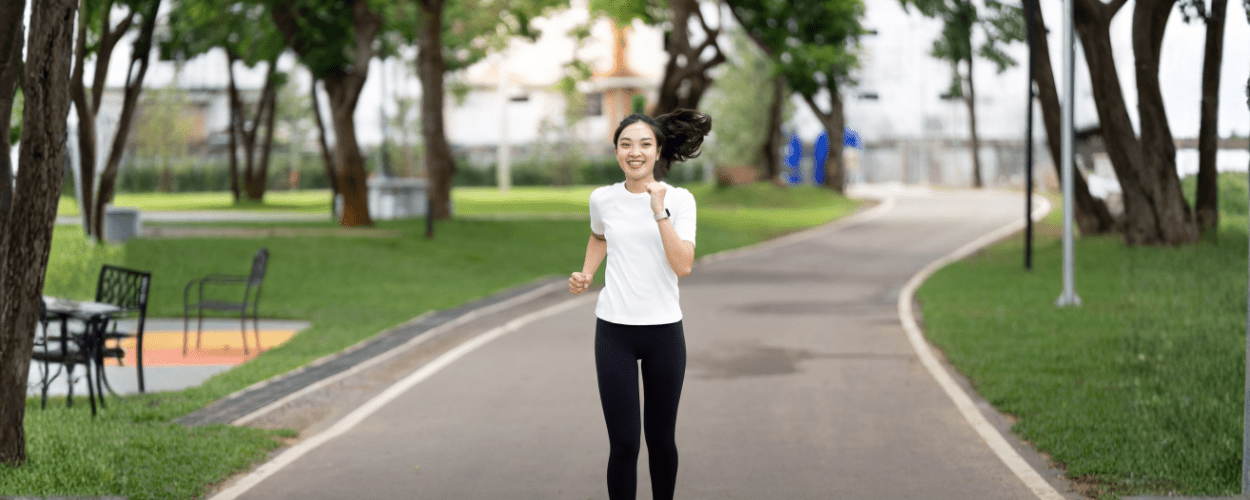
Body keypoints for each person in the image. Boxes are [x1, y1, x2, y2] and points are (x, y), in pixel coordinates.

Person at [569, 108, 712, 500]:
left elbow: (682, 265)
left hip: (665, 331)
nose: (635, 152)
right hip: (614, 331)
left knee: (662, 440)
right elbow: (599, 237)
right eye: (626, 144)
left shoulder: (680, 200)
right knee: (625, 445)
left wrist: (658, 211)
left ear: (659, 150)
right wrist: (587, 273)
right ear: (616, 152)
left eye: (645, 144)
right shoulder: (602, 199)